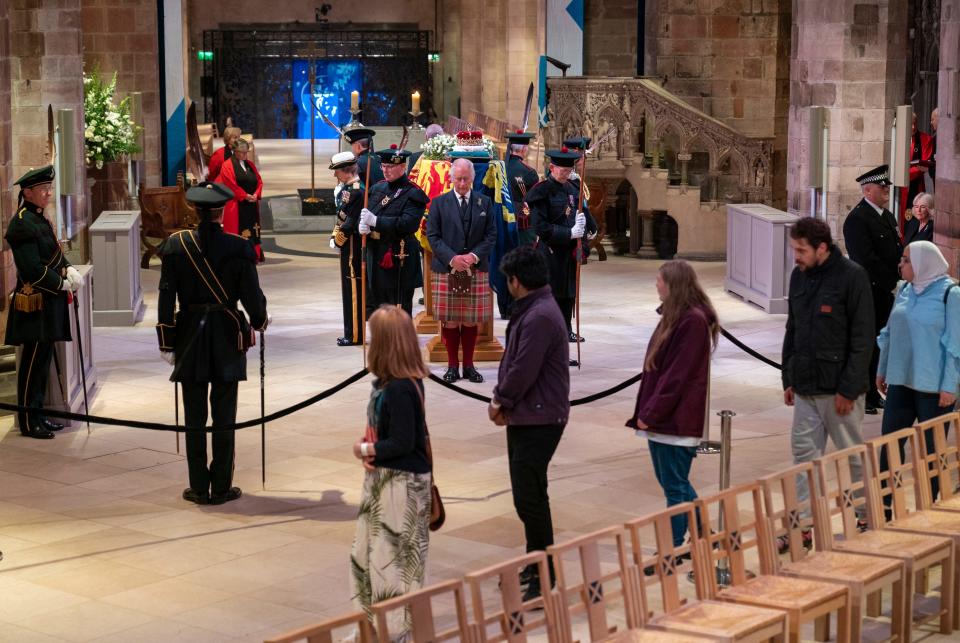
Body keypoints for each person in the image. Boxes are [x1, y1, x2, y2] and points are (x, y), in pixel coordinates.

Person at [157, 182, 269, 505]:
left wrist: (166, 340)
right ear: (221, 211)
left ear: (194, 210)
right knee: (224, 415)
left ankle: (197, 486)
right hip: (225, 335)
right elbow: (252, 298)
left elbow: (166, 297)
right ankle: (221, 486)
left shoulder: (175, 246)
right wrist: (260, 321)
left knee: (193, 416)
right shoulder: (237, 247)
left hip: (190, 334)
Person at [783, 217, 874, 541]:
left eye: (801, 250)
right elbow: (793, 328)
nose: (796, 256)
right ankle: (802, 524)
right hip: (806, 388)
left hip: (839, 391)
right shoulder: (798, 276)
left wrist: (849, 388)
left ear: (822, 248)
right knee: (803, 458)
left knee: (851, 456)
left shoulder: (852, 277)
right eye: (794, 249)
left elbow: (863, 339)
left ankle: (867, 516)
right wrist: (788, 377)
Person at [487, 246, 569, 601]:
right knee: (529, 496)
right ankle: (536, 563)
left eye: (508, 281)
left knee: (530, 499)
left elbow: (523, 367)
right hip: (531, 414)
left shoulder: (539, 316)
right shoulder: (536, 308)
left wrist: (500, 399)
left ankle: (544, 575)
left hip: (539, 416)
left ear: (517, 281)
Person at [350, 305, 431, 635]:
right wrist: (373, 447)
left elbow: (402, 442)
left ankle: (393, 635)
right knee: (366, 560)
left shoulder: (399, 387)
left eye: (373, 337)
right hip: (385, 481)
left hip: (400, 488)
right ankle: (370, 630)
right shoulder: (391, 382)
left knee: (391, 570)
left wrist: (367, 449)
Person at [626, 260, 717, 553]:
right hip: (666, 417)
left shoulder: (691, 322)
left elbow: (677, 376)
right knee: (675, 483)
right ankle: (704, 533)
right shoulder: (676, 316)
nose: (656, 284)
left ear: (673, 284)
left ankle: (673, 548)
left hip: (674, 419)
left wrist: (650, 414)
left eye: (659, 279)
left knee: (674, 486)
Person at [877, 241, 959, 500]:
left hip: (933, 387)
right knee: (889, 446)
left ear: (924, 263)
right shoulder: (904, 289)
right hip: (901, 379)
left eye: (906, 260)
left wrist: (950, 386)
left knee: (930, 450)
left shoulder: (951, 294)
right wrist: (882, 370)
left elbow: (955, 344)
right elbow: (889, 333)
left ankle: (930, 505)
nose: (901, 264)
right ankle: (887, 507)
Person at [5, 165, 81, 439]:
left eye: (49, 188)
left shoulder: (39, 218)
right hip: (35, 303)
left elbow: (54, 253)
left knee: (43, 361)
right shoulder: (23, 223)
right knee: (32, 365)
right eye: (43, 189)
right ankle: (28, 420)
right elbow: (32, 269)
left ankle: (39, 415)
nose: (49, 193)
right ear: (27, 192)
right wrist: (59, 283)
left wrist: (69, 268)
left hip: (49, 304)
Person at [426, 158, 497, 384]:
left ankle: (468, 365)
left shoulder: (485, 203)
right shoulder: (438, 203)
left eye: (467, 179)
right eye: (458, 179)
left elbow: (491, 236)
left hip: (475, 268)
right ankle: (452, 366)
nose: (463, 183)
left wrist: (472, 257)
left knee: (470, 321)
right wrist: (452, 259)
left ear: (473, 179)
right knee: (450, 321)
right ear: (451, 178)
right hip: (447, 269)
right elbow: (433, 237)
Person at [843, 164, 903, 414]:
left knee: (881, 342)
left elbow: (896, 250)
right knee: (867, 342)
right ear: (868, 191)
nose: (886, 190)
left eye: (886, 186)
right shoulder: (857, 219)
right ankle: (864, 395)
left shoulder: (886, 216)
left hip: (886, 290)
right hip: (870, 290)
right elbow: (865, 259)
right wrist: (891, 282)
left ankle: (874, 391)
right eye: (882, 187)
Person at [524, 148, 594, 360]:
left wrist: (584, 228)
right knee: (550, 304)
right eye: (561, 170)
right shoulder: (541, 192)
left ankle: (561, 354)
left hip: (569, 258)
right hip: (551, 256)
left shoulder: (574, 188)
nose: (565, 174)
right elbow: (540, 227)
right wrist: (569, 232)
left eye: (568, 170)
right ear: (552, 168)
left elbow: (580, 213)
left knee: (566, 303)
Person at [358, 145, 427, 315]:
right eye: (383, 166)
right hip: (376, 255)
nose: (385, 171)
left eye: (391, 167)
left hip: (399, 256)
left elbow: (407, 224)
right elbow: (367, 214)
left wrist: (376, 221)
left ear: (403, 167)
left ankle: (400, 341)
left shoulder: (413, 193)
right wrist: (362, 226)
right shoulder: (376, 189)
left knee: (399, 307)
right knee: (378, 305)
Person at [329, 151, 366, 347]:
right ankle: (350, 332)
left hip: (352, 247)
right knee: (347, 288)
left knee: (352, 290)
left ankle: (355, 335)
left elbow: (350, 222)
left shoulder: (355, 191)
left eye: (337, 172)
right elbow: (342, 216)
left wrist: (338, 240)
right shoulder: (349, 189)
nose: (335, 175)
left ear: (345, 171)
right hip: (348, 245)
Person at [219, 139, 264, 262]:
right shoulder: (227, 165)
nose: (245, 155)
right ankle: (239, 256)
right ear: (234, 151)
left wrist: (256, 194)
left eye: (246, 152)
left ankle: (254, 254)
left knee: (253, 229)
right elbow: (230, 184)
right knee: (238, 231)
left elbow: (259, 181)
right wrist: (245, 196)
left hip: (251, 205)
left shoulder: (250, 164)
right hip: (236, 205)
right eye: (242, 152)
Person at [506, 130, 540, 247]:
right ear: (524, 149)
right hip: (521, 219)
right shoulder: (529, 172)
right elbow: (534, 200)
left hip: (502, 215)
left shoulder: (500, 167)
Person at [902, 113, 934, 221]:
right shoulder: (898, 138)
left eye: (915, 124)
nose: (913, 127)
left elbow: (923, 165)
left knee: (914, 218)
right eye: (910, 124)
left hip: (915, 185)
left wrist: (903, 174)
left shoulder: (926, 139)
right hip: (899, 189)